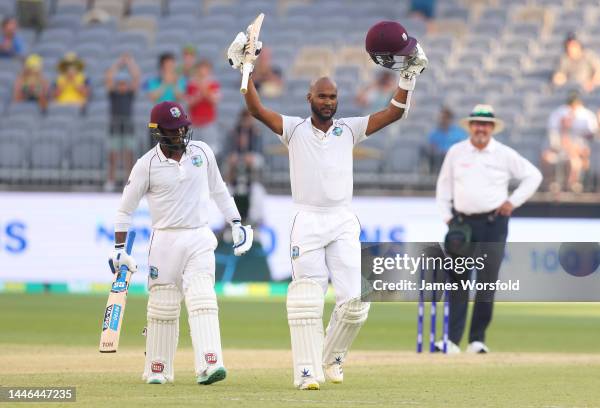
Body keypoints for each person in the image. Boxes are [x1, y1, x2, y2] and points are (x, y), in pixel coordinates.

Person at [228, 20, 428, 390]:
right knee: (307, 300)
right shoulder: (293, 129)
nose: (328, 102)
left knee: (356, 302)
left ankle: (332, 359)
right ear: (309, 99)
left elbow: (394, 112)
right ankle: (306, 373)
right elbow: (256, 110)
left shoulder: (348, 129)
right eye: (322, 96)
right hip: (307, 220)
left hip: (342, 221)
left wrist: (409, 76)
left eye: (333, 97)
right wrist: (247, 70)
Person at [109, 101, 253, 385]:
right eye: (173, 130)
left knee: (202, 297)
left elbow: (219, 190)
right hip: (164, 241)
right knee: (163, 306)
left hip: (199, 236)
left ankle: (210, 364)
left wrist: (236, 222)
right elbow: (125, 210)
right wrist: (118, 250)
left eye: (182, 128)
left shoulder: (203, 152)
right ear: (158, 131)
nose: (180, 134)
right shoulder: (145, 165)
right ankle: (157, 369)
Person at [435, 104, 542, 354]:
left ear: (492, 128)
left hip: (494, 223)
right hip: (461, 224)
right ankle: (451, 340)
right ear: (470, 126)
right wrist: (447, 218)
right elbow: (443, 187)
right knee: (458, 281)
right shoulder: (456, 152)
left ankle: (477, 339)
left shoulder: (503, 154)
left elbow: (533, 176)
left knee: (486, 282)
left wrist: (512, 202)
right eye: (476, 123)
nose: (481, 128)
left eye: (485, 124)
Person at [542, 91, 598, 192]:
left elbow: (585, 146)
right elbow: (555, 143)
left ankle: (571, 185)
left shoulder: (585, 119)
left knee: (574, 162)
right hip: (561, 152)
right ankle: (551, 183)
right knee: (546, 157)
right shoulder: (558, 117)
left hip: (577, 154)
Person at [104, 52, 141, 191]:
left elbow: (137, 77)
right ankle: (110, 181)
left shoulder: (130, 94)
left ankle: (129, 181)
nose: (122, 86)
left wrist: (129, 62)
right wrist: (119, 63)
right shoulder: (113, 94)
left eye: (124, 83)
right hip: (114, 126)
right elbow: (108, 77)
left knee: (129, 155)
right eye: (119, 83)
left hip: (127, 126)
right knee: (113, 156)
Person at [423, 106, 467, 173]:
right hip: (438, 159)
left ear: (450, 119)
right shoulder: (434, 133)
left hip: (454, 159)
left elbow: (462, 146)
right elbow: (432, 147)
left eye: (445, 118)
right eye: (441, 118)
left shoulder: (459, 132)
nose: (442, 120)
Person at [185, 59, 220, 129]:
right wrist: (198, 96)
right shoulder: (191, 84)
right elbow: (188, 103)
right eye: (200, 69)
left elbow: (215, 101)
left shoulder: (213, 84)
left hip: (208, 121)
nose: (202, 72)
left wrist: (205, 91)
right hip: (194, 121)